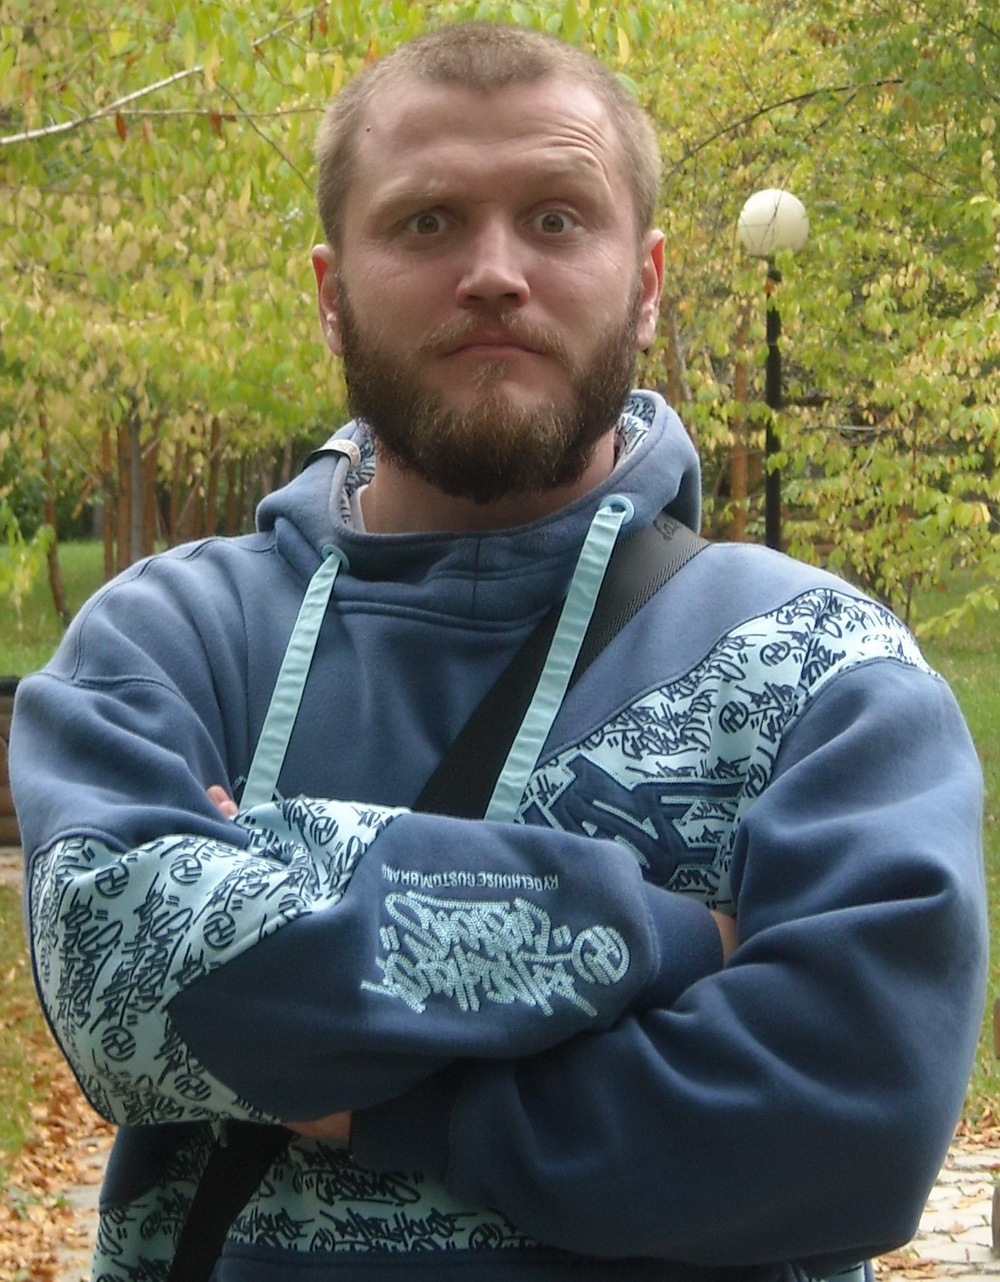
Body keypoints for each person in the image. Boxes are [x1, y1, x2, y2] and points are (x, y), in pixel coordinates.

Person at [9, 20, 987, 1282]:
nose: (492, 272)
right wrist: (678, 943)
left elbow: (852, 1124)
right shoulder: (169, 639)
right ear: (330, 294)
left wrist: (312, 981)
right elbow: (124, 983)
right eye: (426, 222)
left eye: (555, 218)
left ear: (646, 283)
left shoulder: (821, 667)